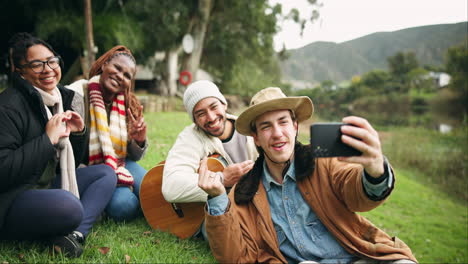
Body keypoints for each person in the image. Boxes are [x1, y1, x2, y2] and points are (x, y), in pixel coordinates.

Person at [198, 87, 418, 263]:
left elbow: (356, 191)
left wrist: (375, 169)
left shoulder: (324, 161)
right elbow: (234, 256)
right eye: (266, 126)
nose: (277, 133)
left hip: (362, 257)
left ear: (295, 126)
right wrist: (217, 197)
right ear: (256, 138)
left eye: (283, 122)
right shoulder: (245, 192)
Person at [0, 32, 116, 258]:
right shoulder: (8, 106)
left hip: (47, 184)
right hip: (14, 196)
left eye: (52, 61)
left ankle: (73, 236)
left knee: (105, 174)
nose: (48, 69)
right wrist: (47, 140)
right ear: (20, 71)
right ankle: (57, 221)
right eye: (37, 64)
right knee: (69, 206)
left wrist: (79, 133)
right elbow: (3, 171)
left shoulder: (62, 99)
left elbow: (74, 163)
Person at [67, 46, 148, 222]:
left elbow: (133, 155)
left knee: (151, 188)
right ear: (104, 65)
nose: (120, 76)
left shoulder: (127, 103)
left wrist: (138, 140)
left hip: (120, 162)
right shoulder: (77, 96)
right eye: (117, 68)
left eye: (127, 75)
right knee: (124, 206)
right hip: (90, 169)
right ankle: (116, 198)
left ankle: (136, 196)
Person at [162, 80, 258, 216]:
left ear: (224, 104)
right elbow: (171, 187)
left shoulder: (252, 129)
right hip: (215, 212)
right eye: (201, 114)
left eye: (214, 107)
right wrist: (222, 179)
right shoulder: (190, 137)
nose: (211, 117)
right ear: (194, 120)